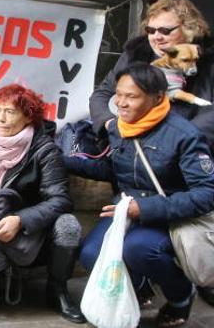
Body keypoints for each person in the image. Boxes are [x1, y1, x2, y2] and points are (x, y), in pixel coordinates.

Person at [66, 62, 214, 328]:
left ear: (157, 98)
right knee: (91, 254)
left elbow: (206, 194)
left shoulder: (184, 135)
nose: (121, 103)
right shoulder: (121, 127)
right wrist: (65, 160)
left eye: (131, 96)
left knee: (138, 250)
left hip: (169, 215)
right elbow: (114, 170)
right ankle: (138, 287)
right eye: (119, 94)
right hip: (127, 209)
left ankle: (181, 296)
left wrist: (145, 209)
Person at [0, 84, 85, 323]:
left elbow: (60, 200)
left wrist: (21, 220)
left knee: (68, 225)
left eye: (10, 112)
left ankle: (57, 290)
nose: (1, 118)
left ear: (28, 116)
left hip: (31, 226)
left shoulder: (44, 150)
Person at [91, 0, 214, 144]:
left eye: (165, 31)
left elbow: (209, 117)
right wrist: (109, 124)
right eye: (151, 30)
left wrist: (175, 141)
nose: (157, 37)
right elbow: (103, 94)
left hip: (185, 149)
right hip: (128, 146)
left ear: (189, 29)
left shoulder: (208, 61)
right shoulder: (135, 54)